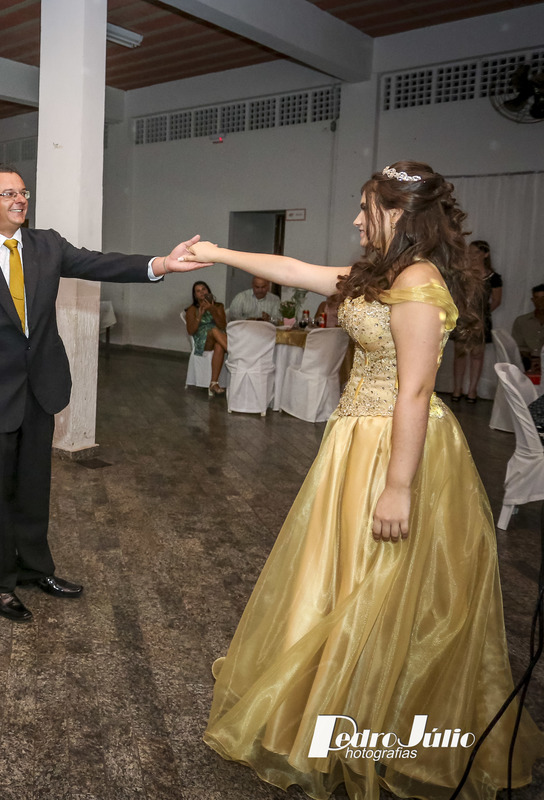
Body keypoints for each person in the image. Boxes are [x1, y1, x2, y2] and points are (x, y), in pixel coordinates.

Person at [181, 161, 543, 799]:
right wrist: (216, 253)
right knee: (344, 577)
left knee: (385, 583)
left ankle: (377, 722)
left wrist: (399, 486)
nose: (355, 219)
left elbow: (416, 390)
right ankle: (338, 702)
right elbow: (296, 270)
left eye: (365, 208)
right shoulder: (380, 274)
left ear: (398, 213)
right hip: (356, 441)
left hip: (395, 448)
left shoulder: (420, 281)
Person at [0, 162, 206, 622]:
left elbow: (100, 263)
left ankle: (36, 568)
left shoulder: (47, 245)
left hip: (41, 386)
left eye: (23, 192)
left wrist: (160, 264)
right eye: (9, 194)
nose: (20, 199)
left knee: (35, 487)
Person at [450, 239, 500, 403]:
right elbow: (456, 296)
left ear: (485, 254)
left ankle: (472, 390)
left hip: (480, 320)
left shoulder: (493, 277)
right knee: (460, 354)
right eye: (470, 252)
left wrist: (481, 315)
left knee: (477, 355)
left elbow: (496, 300)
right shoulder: (462, 275)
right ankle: (457, 389)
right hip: (462, 319)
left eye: (476, 252)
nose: (472, 255)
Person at [185, 280, 228, 395]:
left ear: (208, 290)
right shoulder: (192, 309)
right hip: (202, 339)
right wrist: (199, 315)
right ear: (195, 295)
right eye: (198, 291)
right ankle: (234, 353)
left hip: (218, 337)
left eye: (203, 289)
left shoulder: (218, 306)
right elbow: (190, 331)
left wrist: (212, 310)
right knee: (213, 330)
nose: (202, 293)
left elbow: (223, 325)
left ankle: (213, 383)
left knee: (219, 346)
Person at [512, 283, 544, 373]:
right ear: (533, 300)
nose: (540, 301)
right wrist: (531, 359)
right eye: (537, 298)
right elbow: (518, 347)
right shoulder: (521, 321)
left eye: (543, 298)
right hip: (527, 363)